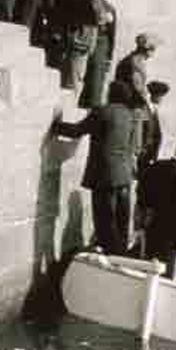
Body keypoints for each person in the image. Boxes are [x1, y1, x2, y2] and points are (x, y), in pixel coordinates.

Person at [53, 81, 138, 255]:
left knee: (105, 223)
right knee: (122, 222)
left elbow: (77, 131)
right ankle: (121, 258)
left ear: (111, 94)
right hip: (124, 176)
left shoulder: (102, 112)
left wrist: (56, 124)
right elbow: (132, 146)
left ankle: (111, 261)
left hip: (105, 176)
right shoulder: (130, 116)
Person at [51, 0, 113, 99]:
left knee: (60, 80)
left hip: (63, 32)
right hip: (80, 36)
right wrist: (108, 16)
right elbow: (98, 14)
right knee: (72, 85)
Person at [136, 135, 176, 273]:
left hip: (152, 225)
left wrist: (146, 210)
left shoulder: (158, 165)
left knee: (147, 266)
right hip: (170, 235)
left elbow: (141, 189)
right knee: (164, 271)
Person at [139, 81, 169, 173]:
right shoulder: (144, 108)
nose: (161, 99)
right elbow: (142, 130)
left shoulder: (153, 110)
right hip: (143, 153)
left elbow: (157, 134)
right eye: (161, 96)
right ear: (155, 95)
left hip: (149, 154)